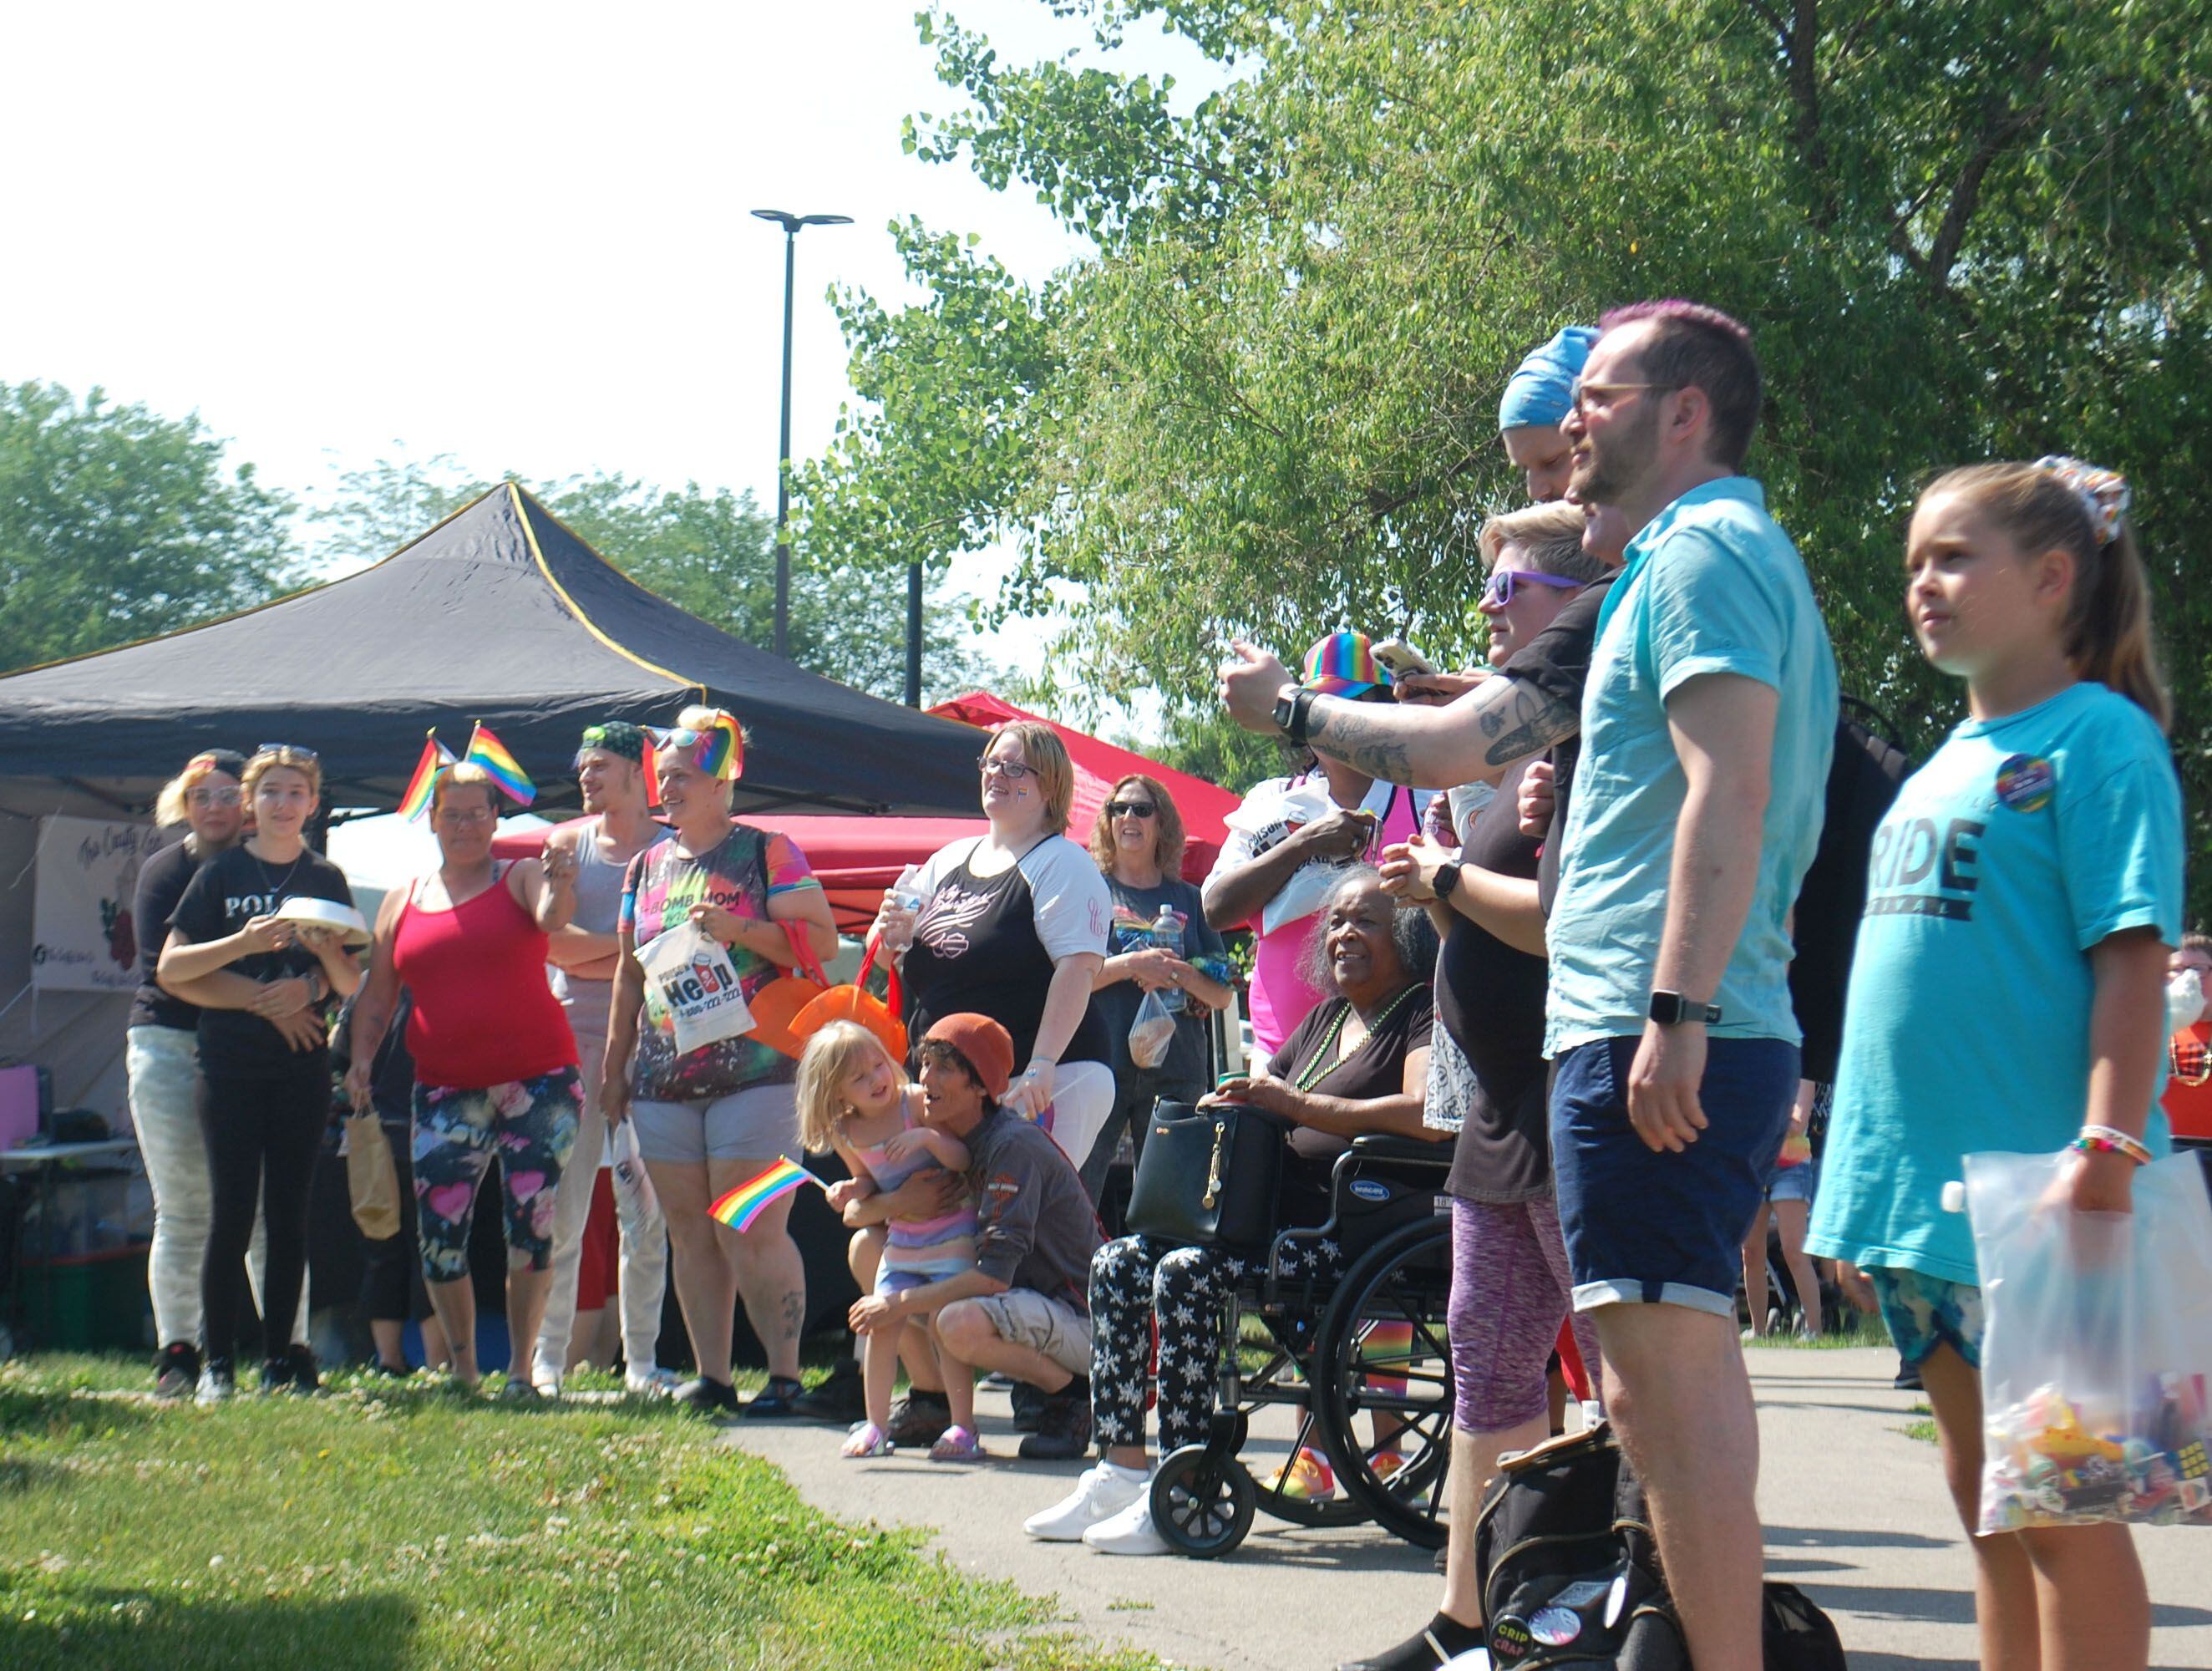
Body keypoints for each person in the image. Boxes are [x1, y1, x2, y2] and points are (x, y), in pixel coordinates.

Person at [1808, 458, 2177, 1671]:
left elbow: (2131, 961)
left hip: (2052, 1197)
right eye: (1914, 561)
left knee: (2068, 1515)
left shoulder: (2102, 742)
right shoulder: (1944, 763)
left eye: (1954, 557)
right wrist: (1856, 1197)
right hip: (1928, 1207)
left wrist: (2109, 1148)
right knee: (1986, 1505)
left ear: (2055, 577)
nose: (1924, 582)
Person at [1353, 504, 1608, 1671]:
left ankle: (1655, 1611)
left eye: (1512, 590)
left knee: (1624, 1375)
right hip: (1500, 1105)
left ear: (1578, 607)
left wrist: (1443, 873)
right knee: (1489, 1359)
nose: (1492, 607)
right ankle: (1474, 1614)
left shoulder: (1590, 737)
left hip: (1576, 1090)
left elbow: (1558, 927)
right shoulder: (1508, 750)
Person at [1027, 869, 1443, 1557]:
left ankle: (1184, 1474)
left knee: (1188, 1273)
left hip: (1357, 1224)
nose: (1343, 934)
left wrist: (1299, 1109)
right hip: (1276, 1222)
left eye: (1365, 921)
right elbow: (1269, 1090)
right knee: (1120, 1260)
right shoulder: (1325, 1018)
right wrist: (1237, 1097)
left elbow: (1427, 1114)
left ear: (1404, 934)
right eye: (1335, 921)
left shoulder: (1422, 1013)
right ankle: (1121, 1467)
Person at [603, 707, 840, 1417]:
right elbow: (626, 973)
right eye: (662, 778)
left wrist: (741, 928)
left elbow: (822, 941)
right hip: (663, 1077)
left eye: (680, 777)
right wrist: (614, 1069)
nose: (666, 789)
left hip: (757, 1074)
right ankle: (714, 1377)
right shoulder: (645, 865)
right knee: (689, 1229)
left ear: (719, 781)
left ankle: (786, 1377)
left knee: (750, 1224)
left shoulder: (767, 851)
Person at [342, 762, 581, 1398]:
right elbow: (377, 996)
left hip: (539, 1084)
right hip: (445, 1087)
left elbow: (554, 917)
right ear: (433, 820)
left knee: (529, 1227)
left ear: (496, 819)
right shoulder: (402, 899)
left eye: (479, 813)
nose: (467, 825)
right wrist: (361, 1060)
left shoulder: (521, 875)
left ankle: (523, 1371)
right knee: (440, 1234)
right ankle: (464, 1371)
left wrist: (560, 877)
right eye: (454, 814)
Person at [156, 744, 363, 1402]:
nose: (283, 803)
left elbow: (350, 981)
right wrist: (244, 947)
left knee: (289, 1215)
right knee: (231, 1214)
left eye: (295, 792)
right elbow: (173, 969)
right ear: (252, 802)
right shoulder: (219, 875)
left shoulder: (326, 876)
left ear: (312, 803)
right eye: (270, 791)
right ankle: (219, 1365)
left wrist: (315, 975)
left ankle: (281, 1360)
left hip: (301, 1067)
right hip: (229, 1065)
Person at [129, 748, 310, 1399]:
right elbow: (171, 974)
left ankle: (286, 1351)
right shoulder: (166, 871)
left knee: (268, 1211)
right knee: (184, 1210)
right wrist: (270, 1001)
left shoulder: (280, 868)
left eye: (227, 795)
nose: (214, 807)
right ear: (183, 803)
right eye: (200, 795)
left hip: (255, 1051)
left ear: (250, 802)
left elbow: (337, 956)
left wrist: (305, 994)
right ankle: (179, 1352)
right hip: (172, 1047)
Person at [845, 1013, 1105, 1462]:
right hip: (1036, 1306)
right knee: (870, 1251)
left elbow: (992, 1280)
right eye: (925, 1064)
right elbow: (860, 1211)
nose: (926, 1078)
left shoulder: (1010, 1148)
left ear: (981, 1087)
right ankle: (932, 1402)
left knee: (957, 1322)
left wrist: (895, 1304)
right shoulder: (948, 1139)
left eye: (945, 1068)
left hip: (1090, 1322)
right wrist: (879, 1200)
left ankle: (1075, 1396)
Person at [877, 720, 1115, 1176]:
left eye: (1014, 768)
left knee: (1021, 1226)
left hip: (1045, 1077)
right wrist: (887, 929)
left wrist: (1042, 1065)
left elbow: (1077, 970)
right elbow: (887, 951)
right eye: (991, 763)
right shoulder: (947, 859)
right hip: (954, 1087)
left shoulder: (1062, 862)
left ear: (1049, 786)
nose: (997, 775)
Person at [531, 721, 675, 1397]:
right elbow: (550, 945)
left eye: (601, 766)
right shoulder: (566, 842)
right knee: (562, 1211)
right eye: (583, 767)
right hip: (571, 1045)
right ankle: (547, 1360)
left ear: (636, 771)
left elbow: (674, 952)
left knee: (644, 1214)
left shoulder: (673, 850)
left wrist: (616, 956)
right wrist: (628, 954)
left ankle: (641, 1361)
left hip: (653, 1049)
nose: (587, 777)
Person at [1203, 632, 1429, 1060]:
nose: (1334, 724)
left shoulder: (1423, 800)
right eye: (1319, 708)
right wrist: (1302, 845)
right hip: (1281, 1058)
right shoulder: (1273, 801)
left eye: (1350, 705)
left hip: (1395, 1054)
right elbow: (1216, 908)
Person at [797, 1020, 982, 1460]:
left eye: (879, 1065)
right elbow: (867, 1178)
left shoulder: (913, 1104)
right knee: (881, 1325)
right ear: (836, 1092)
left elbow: (965, 1158)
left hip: (952, 1232)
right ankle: (876, 1426)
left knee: (944, 1324)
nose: (877, 1079)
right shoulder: (847, 1132)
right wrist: (851, 1190)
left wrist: (927, 1137)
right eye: (859, 1078)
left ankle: (963, 1427)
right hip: (903, 1240)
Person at [1082, 774, 1235, 1203]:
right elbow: (1069, 979)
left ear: (1160, 824)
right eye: (1120, 808)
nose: (1130, 817)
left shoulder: (1190, 899)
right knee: (1077, 1195)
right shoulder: (1088, 892)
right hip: (1100, 1065)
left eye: (1142, 809)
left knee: (1172, 1202)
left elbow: (1222, 996)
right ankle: (1073, 1273)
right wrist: (1133, 964)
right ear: (1108, 822)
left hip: (1177, 1070)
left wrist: (1176, 973)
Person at [328, 988, 450, 1375]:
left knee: (381, 1249)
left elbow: (337, 1060)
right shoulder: (438, 984)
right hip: (432, 1130)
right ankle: (438, 1363)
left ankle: (388, 1360)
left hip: (372, 1135)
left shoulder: (365, 992)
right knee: (431, 1250)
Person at [1740, 1079, 1824, 1339]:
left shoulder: (1802, 1074)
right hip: (1754, 1165)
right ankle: (1758, 1330)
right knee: (1751, 1253)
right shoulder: (1754, 1067)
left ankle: (1814, 1329)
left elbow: (1798, 1123)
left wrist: (1758, 1121)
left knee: (1793, 1251)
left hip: (1791, 1166)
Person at [2160, 932, 2212, 1166]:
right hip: (2162, 1154)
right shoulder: (2150, 1028)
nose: (2189, 976)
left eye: (2199, 968)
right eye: (2178, 969)